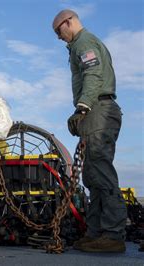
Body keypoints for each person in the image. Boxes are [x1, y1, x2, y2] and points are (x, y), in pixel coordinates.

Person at [52, 9, 127, 253]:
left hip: (99, 110)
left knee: (101, 172)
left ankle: (113, 234)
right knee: (92, 175)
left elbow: (93, 73)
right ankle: (96, 232)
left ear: (68, 22)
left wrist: (82, 108)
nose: (58, 37)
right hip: (96, 111)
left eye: (58, 30)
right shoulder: (80, 45)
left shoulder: (84, 42)